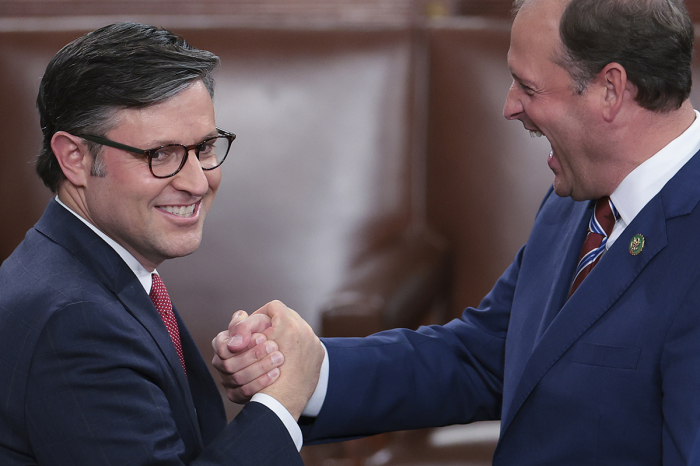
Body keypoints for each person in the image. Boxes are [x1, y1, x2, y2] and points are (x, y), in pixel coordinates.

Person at [213, 0, 700, 463]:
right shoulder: (572, 201)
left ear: (610, 90)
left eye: (528, 88)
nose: (510, 107)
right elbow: (484, 359)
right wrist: (305, 370)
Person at [0, 22, 323, 465]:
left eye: (204, 146)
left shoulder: (80, 271)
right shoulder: (75, 322)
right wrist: (284, 398)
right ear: (74, 158)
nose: (196, 182)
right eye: (161, 154)